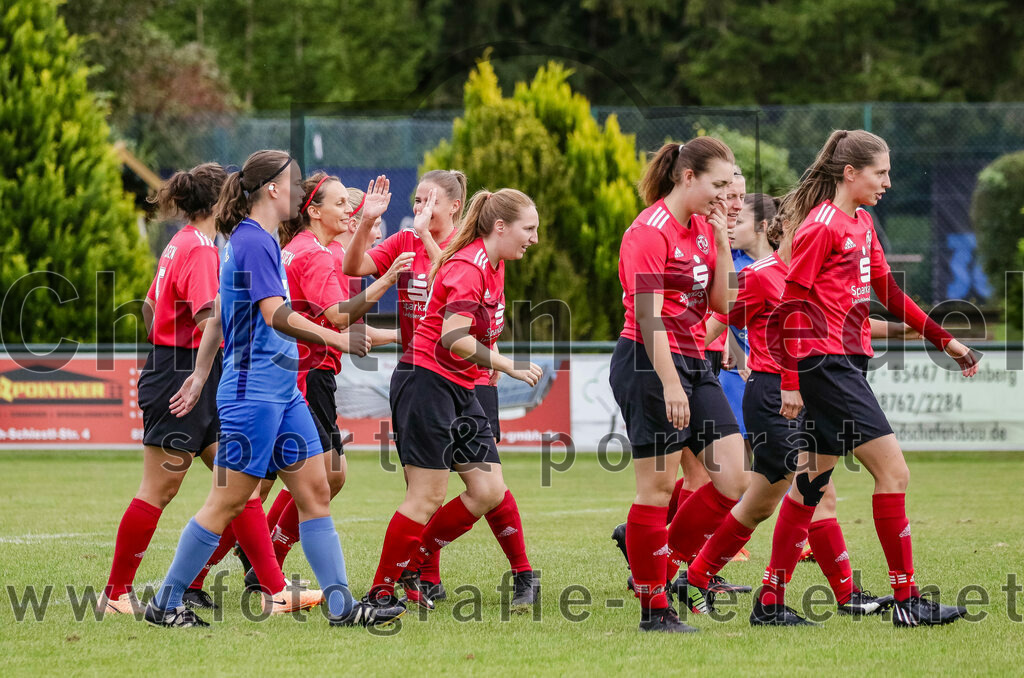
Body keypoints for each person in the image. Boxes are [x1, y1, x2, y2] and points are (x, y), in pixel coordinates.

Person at [143, 149, 405, 628]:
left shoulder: (257, 239)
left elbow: (220, 313)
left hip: (283, 393)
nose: (301, 190)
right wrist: (336, 337)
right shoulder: (252, 242)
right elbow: (275, 316)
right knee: (228, 502)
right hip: (252, 395)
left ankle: (344, 608)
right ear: (272, 190)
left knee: (316, 492)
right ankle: (166, 600)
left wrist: (201, 375)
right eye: (296, 182)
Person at [775, 129, 978, 627]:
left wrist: (943, 340)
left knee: (811, 485)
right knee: (894, 473)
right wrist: (790, 379)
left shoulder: (862, 222)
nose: (887, 182)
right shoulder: (822, 226)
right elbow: (790, 308)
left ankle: (768, 600)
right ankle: (908, 601)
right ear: (850, 173)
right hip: (827, 365)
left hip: (845, 362)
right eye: (880, 172)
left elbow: (890, 292)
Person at [686, 194, 895, 625]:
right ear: (783, 229)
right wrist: (708, 347)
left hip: (804, 392)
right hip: (773, 394)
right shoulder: (763, 275)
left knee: (807, 494)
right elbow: (727, 314)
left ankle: (825, 594)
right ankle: (705, 577)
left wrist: (911, 329)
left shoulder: (813, 277)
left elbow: (841, 323)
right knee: (776, 498)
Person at [345, 171, 537, 604]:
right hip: (427, 381)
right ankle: (380, 593)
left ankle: (419, 561)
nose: (535, 239)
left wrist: (491, 367)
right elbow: (453, 337)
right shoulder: (469, 266)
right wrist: (507, 364)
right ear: (501, 227)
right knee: (426, 494)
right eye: (530, 229)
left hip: (461, 384)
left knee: (488, 490)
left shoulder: (491, 263)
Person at [609, 137, 748, 633]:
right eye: (717, 185)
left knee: (734, 477)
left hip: (693, 359)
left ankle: (661, 573)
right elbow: (648, 318)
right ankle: (654, 611)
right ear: (687, 177)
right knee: (659, 487)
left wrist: (725, 243)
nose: (724, 197)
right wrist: (670, 384)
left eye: (729, 187)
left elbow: (725, 306)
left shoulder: (704, 230)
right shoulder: (647, 231)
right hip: (648, 361)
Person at [254, 172, 410, 576]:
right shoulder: (319, 256)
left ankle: (260, 565)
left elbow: (337, 322)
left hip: (293, 375)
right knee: (310, 485)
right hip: (305, 377)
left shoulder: (301, 248)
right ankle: (262, 565)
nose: (375, 233)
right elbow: (339, 317)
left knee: (268, 487)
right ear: (316, 211)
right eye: (343, 206)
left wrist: (400, 334)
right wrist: (387, 283)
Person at [97, 163, 229, 616]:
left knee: (236, 484)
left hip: (187, 370)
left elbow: (152, 307)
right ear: (218, 203)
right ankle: (116, 595)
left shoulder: (182, 243)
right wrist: (189, 370)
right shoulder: (201, 250)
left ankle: (271, 590)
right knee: (159, 489)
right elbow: (208, 320)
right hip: (183, 375)